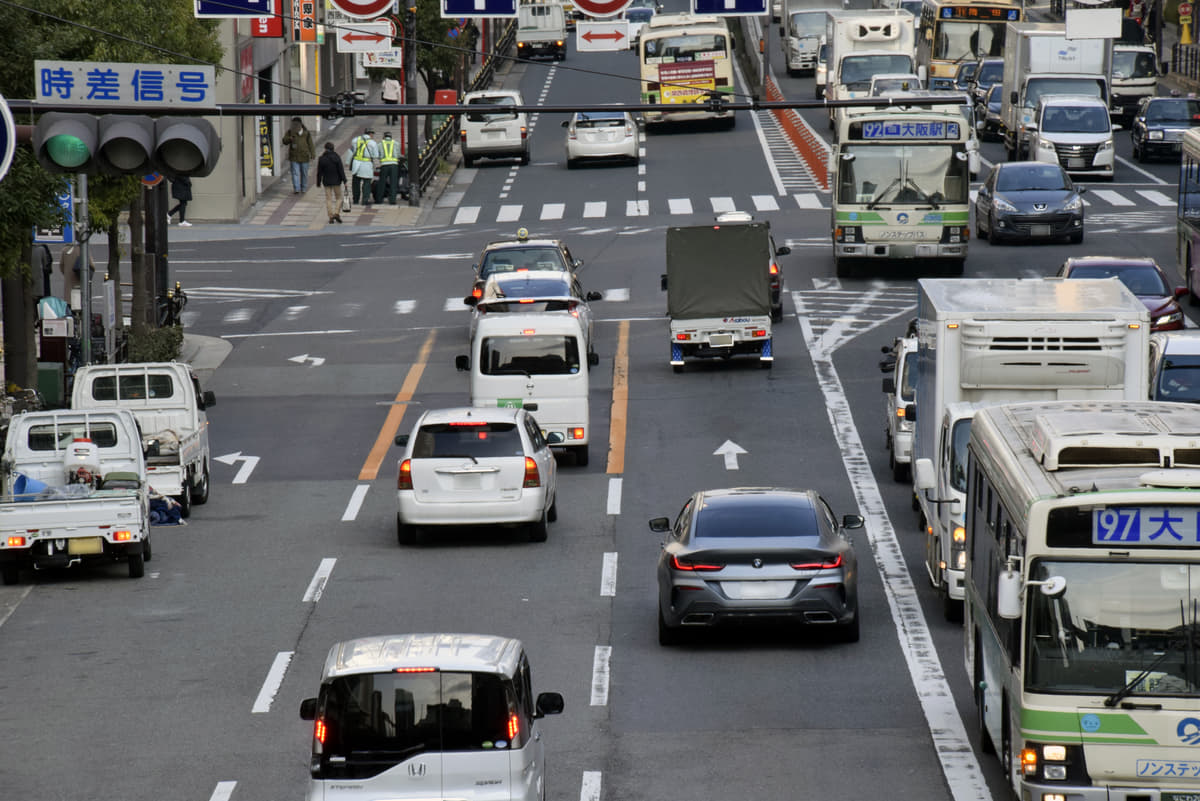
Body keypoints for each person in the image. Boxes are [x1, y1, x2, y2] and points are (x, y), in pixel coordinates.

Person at [316, 141, 348, 224]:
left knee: (328, 199)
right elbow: (341, 170)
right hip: (336, 181)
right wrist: (345, 181)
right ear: (333, 148)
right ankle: (336, 213)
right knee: (339, 198)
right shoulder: (337, 157)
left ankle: (330, 216)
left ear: (325, 149)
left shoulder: (322, 159)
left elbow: (319, 172)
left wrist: (318, 182)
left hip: (326, 181)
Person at [346, 128, 380, 207]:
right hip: (366, 165)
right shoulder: (372, 143)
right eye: (372, 134)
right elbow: (375, 155)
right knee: (367, 183)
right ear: (370, 134)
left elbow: (350, 151)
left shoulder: (355, 140)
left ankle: (355, 200)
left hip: (356, 164)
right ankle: (365, 200)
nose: (373, 136)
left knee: (356, 183)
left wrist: (347, 162)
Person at [281, 117, 315, 193]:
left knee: (304, 173)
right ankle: (296, 188)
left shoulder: (306, 133)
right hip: (294, 157)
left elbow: (311, 144)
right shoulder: (290, 132)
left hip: (304, 156)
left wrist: (313, 154)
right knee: (295, 173)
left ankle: (304, 188)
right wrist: (289, 139)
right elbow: (284, 141)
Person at [376, 132, 402, 205]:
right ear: (391, 137)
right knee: (393, 182)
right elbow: (398, 155)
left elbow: (378, 155)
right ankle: (392, 200)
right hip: (394, 165)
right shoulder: (396, 143)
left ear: (384, 137)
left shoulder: (380, 144)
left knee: (382, 182)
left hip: (384, 165)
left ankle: (379, 199)